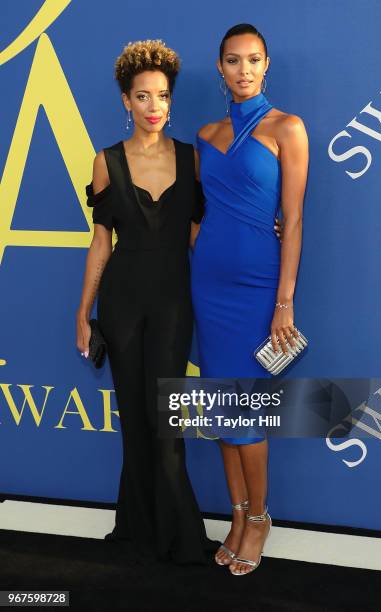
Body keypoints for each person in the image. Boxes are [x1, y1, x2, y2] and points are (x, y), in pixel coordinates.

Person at [76, 39, 218, 565]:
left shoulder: (192, 158)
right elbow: (100, 242)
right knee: (134, 421)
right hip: (121, 301)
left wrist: (258, 236)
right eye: (143, 96)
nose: (154, 106)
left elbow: (202, 234)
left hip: (173, 302)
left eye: (162, 96)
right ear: (125, 100)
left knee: (167, 424)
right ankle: (137, 529)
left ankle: (179, 537)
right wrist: (82, 313)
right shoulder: (106, 161)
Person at [191, 24, 309, 575]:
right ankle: (236, 515)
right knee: (221, 408)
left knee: (248, 413)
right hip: (207, 284)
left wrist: (283, 301)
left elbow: (295, 218)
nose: (243, 70)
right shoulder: (204, 134)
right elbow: (200, 215)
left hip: (259, 289)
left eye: (253, 60)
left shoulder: (288, 128)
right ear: (220, 67)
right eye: (233, 61)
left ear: (266, 66)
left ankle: (259, 518)